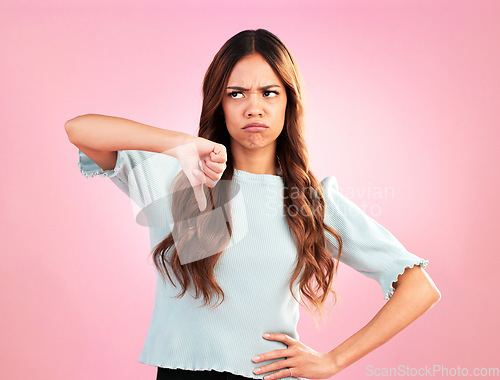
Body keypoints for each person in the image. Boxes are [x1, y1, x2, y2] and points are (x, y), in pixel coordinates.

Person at [65, 29, 440, 380]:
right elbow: (79, 130)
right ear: (219, 104)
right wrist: (180, 144)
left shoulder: (310, 201)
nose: (254, 108)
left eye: (270, 93)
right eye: (236, 93)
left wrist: (333, 361)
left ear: (288, 103)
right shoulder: (175, 178)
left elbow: (419, 287)